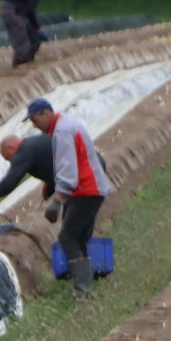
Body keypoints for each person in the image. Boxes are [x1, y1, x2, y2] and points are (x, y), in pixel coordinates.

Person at [26, 98, 111, 295]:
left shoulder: (62, 131)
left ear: (47, 113)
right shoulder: (67, 124)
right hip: (90, 188)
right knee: (79, 238)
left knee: (67, 237)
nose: (34, 126)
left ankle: (83, 289)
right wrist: (51, 184)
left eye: (35, 120)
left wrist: (57, 200)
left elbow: (68, 170)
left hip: (85, 190)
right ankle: (86, 286)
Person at [0, 0, 61, 67]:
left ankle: (29, 64)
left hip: (20, 11)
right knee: (22, 46)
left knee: (35, 40)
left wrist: (36, 30)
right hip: (11, 10)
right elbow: (30, 10)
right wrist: (37, 27)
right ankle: (18, 70)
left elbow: (28, 10)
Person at [0, 133, 55, 214]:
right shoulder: (33, 142)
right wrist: (50, 183)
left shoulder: (23, 152)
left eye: (8, 158)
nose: (11, 162)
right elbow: (50, 162)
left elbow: (9, 183)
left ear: (10, 147)